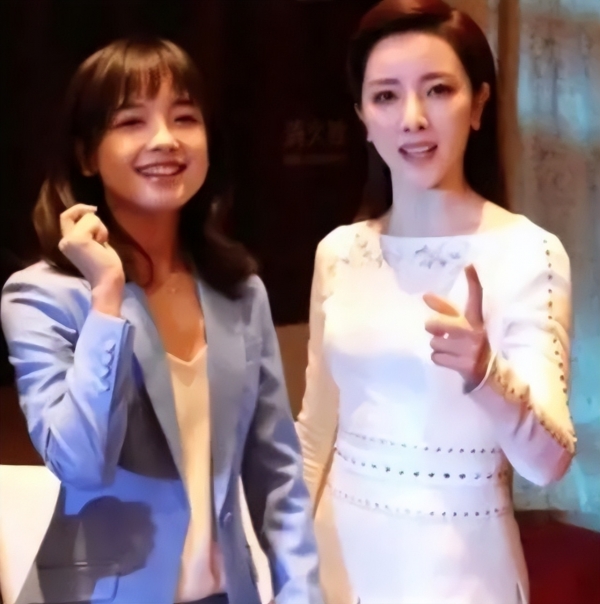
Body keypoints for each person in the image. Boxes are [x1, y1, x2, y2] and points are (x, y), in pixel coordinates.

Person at [1, 38, 322, 604]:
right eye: (132, 121)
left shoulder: (239, 291)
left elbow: (276, 473)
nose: (166, 140)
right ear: (86, 154)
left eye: (184, 118)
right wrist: (107, 297)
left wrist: (301, 593)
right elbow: (80, 463)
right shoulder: (42, 295)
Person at [296, 1, 576, 602]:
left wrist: (486, 373)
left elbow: (549, 462)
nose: (413, 118)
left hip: (462, 575)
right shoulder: (339, 251)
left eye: (438, 90)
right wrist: (281, 564)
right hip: (336, 565)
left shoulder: (529, 252)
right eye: (386, 96)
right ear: (363, 117)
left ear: (478, 105)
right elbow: (316, 433)